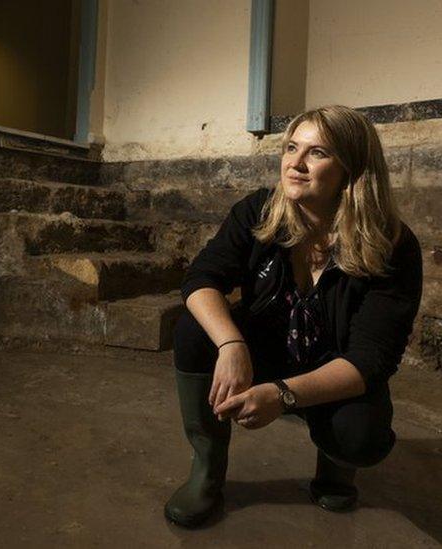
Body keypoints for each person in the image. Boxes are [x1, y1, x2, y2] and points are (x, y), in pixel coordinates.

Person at [164, 105, 423, 528]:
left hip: (331, 368)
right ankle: (206, 471)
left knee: (361, 438)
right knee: (197, 328)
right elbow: (201, 277)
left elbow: (371, 359)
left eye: (317, 152)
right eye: (290, 148)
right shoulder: (259, 211)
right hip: (265, 349)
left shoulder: (391, 244)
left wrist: (281, 395)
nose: (295, 164)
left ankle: (335, 467)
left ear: (351, 170)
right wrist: (232, 345)